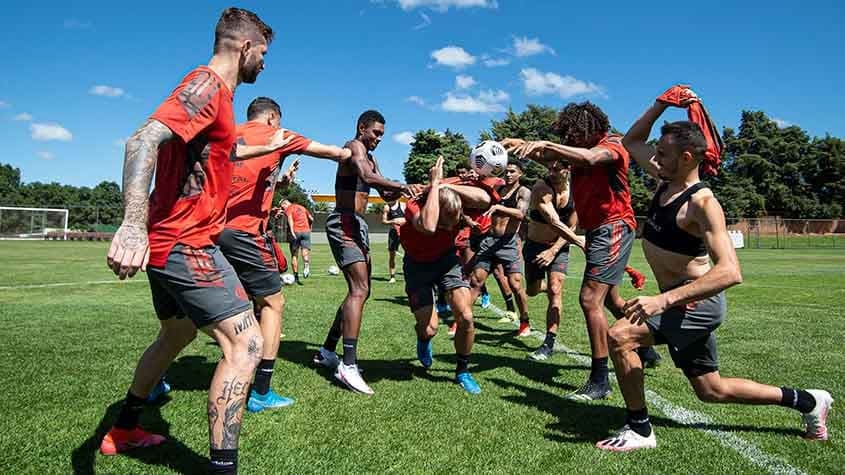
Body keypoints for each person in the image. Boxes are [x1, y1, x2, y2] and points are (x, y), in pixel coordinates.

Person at [595, 85, 833, 451]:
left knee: (620, 335)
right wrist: (661, 104)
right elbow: (632, 140)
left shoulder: (702, 204)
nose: (654, 159)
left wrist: (662, 301)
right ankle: (809, 401)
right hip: (677, 303)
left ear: (687, 157)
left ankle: (640, 429)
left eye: (663, 154)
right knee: (712, 390)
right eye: (656, 153)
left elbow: (729, 273)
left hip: (693, 306)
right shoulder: (665, 181)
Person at [101, 8, 274, 473]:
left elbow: (227, 150)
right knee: (247, 346)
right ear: (245, 48)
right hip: (185, 243)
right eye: (263, 54)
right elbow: (142, 140)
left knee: (176, 334)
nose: (264, 64)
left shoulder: (222, 100)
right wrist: (132, 223)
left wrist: (278, 146)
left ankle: (124, 429)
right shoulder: (206, 85)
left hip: (172, 242)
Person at [504, 101, 659, 401]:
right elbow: (551, 156)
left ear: (588, 129)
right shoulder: (577, 150)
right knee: (612, 299)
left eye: (572, 136)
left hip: (613, 226)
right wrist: (520, 145)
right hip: (600, 229)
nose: (569, 142)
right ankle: (647, 346)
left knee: (589, 298)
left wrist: (546, 144)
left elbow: (589, 158)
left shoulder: (612, 144)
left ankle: (600, 379)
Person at [219, 96, 350, 413]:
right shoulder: (277, 135)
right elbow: (330, 152)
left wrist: (281, 181)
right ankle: (261, 392)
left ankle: (154, 380)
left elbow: (239, 184)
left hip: (211, 230)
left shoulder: (229, 136)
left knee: (189, 317)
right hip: (245, 234)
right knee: (273, 303)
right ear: (273, 118)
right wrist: (353, 152)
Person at [313, 110, 418, 395]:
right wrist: (400, 186)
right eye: (376, 133)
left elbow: (382, 189)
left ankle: (325, 351)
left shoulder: (371, 157)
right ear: (362, 128)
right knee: (359, 289)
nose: (379, 139)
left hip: (357, 224)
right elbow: (365, 175)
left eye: (382, 135)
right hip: (344, 220)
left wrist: (411, 191)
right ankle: (347, 365)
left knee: (361, 290)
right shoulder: (354, 146)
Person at [400, 157, 493, 394]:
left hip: (446, 261)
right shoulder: (414, 204)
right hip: (417, 265)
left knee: (466, 317)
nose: (449, 229)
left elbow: (485, 199)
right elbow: (429, 226)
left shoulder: (450, 192)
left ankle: (462, 370)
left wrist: (443, 184)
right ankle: (423, 340)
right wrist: (435, 185)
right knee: (429, 328)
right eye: (446, 225)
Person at [522, 158, 586, 360]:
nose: (551, 171)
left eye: (556, 168)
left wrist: (554, 250)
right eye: (549, 167)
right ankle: (542, 287)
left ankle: (548, 343)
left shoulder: (576, 191)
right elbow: (553, 220)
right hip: (534, 246)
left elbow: (572, 225)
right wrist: (579, 242)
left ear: (568, 169)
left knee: (556, 289)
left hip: (559, 246)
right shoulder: (541, 187)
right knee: (532, 291)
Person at [468, 161, 532, 336]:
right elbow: (482, 193)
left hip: (509, 242)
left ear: (520, 173)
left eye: (513, 171)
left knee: (515, 284)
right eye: (507, 171)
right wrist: (474, 179)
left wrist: (498, 207)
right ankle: (463, 320)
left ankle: (524, 322)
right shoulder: (499, 189)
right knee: (476, 281)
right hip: (489, 240)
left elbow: (520, 214)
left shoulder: (523, 191)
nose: (509, 174)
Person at [281, 198, 314, 285]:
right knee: (305, 251)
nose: (283, 209)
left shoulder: (289, 208)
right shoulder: (302, 207)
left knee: (294, 255)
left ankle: (296, 278)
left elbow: (290, 219)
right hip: (306, 231)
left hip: (296, 231)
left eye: (282, 207)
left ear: (285, 204)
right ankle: (306, 266)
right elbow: (311, 218)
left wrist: (292, 231)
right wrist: (310, 227)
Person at [381, 199, 405, 283]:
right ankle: (392, 276)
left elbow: (410, 217)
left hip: (405, 232)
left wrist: (403, 221)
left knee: (410, 254)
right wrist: (393, 221)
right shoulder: (387, 207)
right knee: (392, 255)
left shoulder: (403, 205)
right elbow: (384, 221)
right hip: (393, 233)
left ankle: (410, 274)